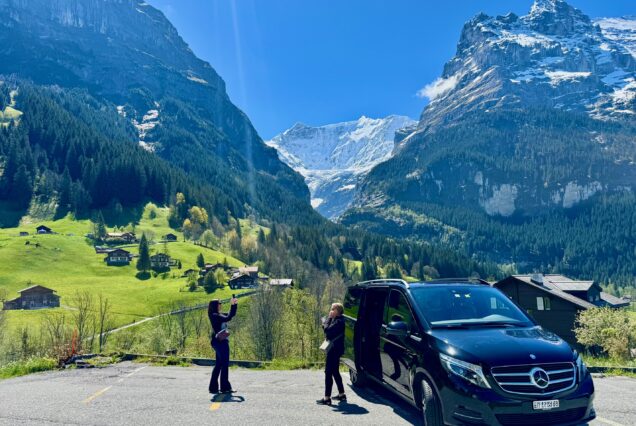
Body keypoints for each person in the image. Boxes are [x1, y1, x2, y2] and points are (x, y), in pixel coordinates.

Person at [316, 302, 346, 406]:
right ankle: (342, 394)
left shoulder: (338, 322)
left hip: (333, 350)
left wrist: (327, 319)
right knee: (335, 372)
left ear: (338, 311)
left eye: (333, 309)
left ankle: (327, 398)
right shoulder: (338, 320)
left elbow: (327, 331)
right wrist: (328, 320)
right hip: (335, 349)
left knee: (328, 372)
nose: (331, 310)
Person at [208, 296, 238, 394]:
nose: (221, 305)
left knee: (219, 364)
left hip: (218, 342)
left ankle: (213, 388)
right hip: (220, 343)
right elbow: (228, 317)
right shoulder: (215, 315)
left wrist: (234, 304)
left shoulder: (217, 315)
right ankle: (225, 388)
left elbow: (230, 315)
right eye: (219, 304)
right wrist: (232, 305)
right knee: (224, 364)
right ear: (215, 305)